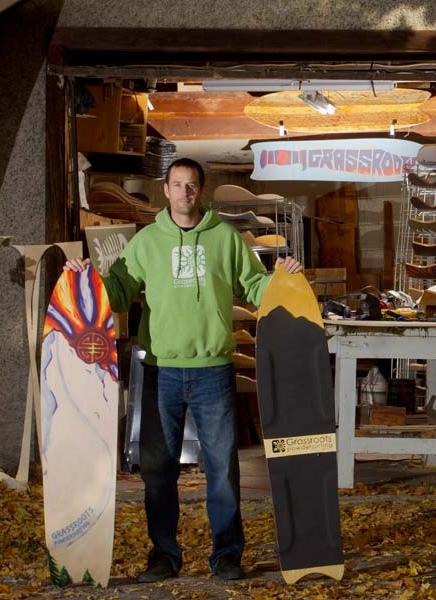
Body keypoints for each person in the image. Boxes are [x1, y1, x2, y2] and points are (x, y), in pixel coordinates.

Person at [64, 159, 301, 582]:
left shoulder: (227, 239)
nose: (184, 193)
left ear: (201, 191)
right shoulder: (146, 241)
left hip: (213, 370)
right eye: (177, 185)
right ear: (166, 190)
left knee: (222, 470)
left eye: (191, 186)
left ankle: (227, 555)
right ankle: (163, 557)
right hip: (160, 370)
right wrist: (88, 279)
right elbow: (118, 291)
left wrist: (284, 280)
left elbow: (255, 288)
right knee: (158, 471)